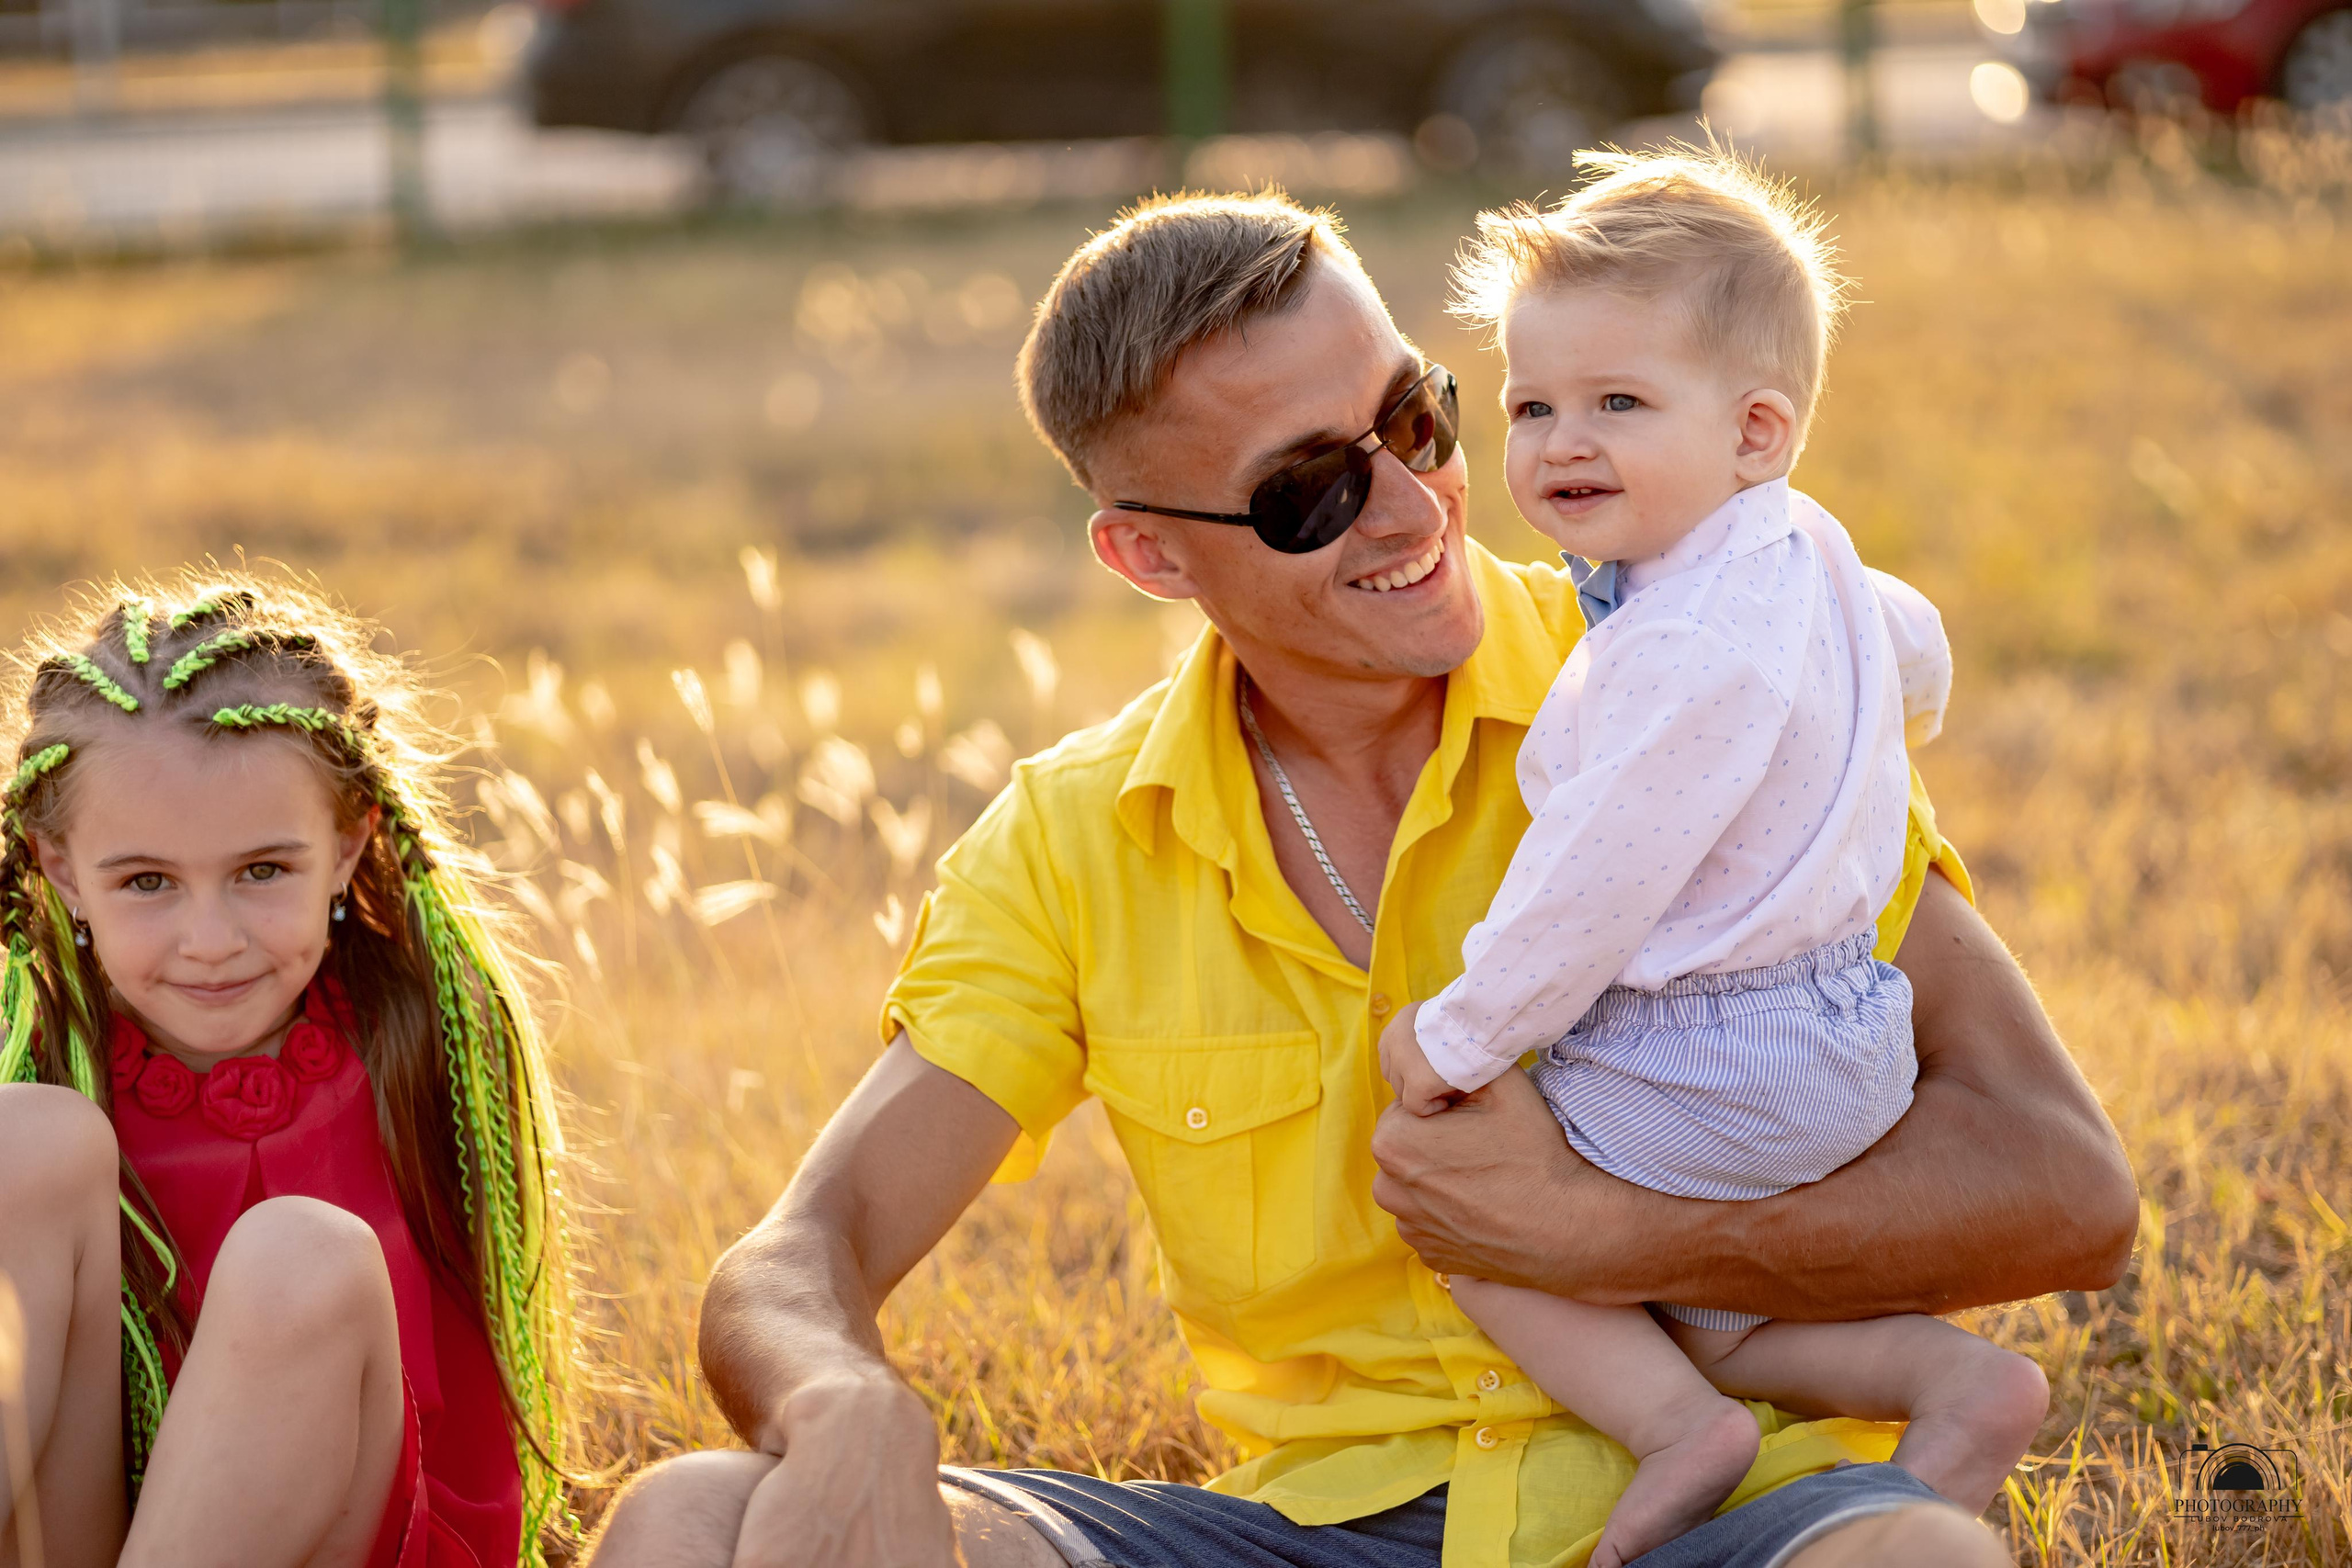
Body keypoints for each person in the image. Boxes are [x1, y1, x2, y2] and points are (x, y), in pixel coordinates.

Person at [585, 190, 2137, 1568]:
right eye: (1311, 491)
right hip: (1310, 1534)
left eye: (1421, 416)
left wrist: (1610, 1237)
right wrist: (845, 1393)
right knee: (693, 1521)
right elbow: (801, 1249)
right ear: (1149, 557)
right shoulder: (1072, 838)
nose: (1415, 503)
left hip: (1739, 1519)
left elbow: (2068, 1192)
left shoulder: (1713, 684)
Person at [1372, 150, 2048, 1568]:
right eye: (1533, 404)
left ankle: (1682, 1427)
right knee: (1700, 1282)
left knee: (1467, 1201)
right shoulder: (1796, 548)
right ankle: (1946, 1377)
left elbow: (1597, 880)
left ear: (1756, 429)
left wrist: (1461, 1033)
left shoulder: (1680, 646)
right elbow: (1909, 639)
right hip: (1847, 1032)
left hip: (1713, 1051)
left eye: (1620, 402)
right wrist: (1881, 725)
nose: (1562, 441)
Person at [0, 575, 577, 1567]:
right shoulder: (50, 1063)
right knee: (24, 1137)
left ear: (348, 846)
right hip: (86, 1536)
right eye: (147, 883)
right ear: (59, 869)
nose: (211, 941)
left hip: (354, 1530)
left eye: (263, 872)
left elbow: (472, 1449)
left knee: (299, 1255)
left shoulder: (419, 1042)